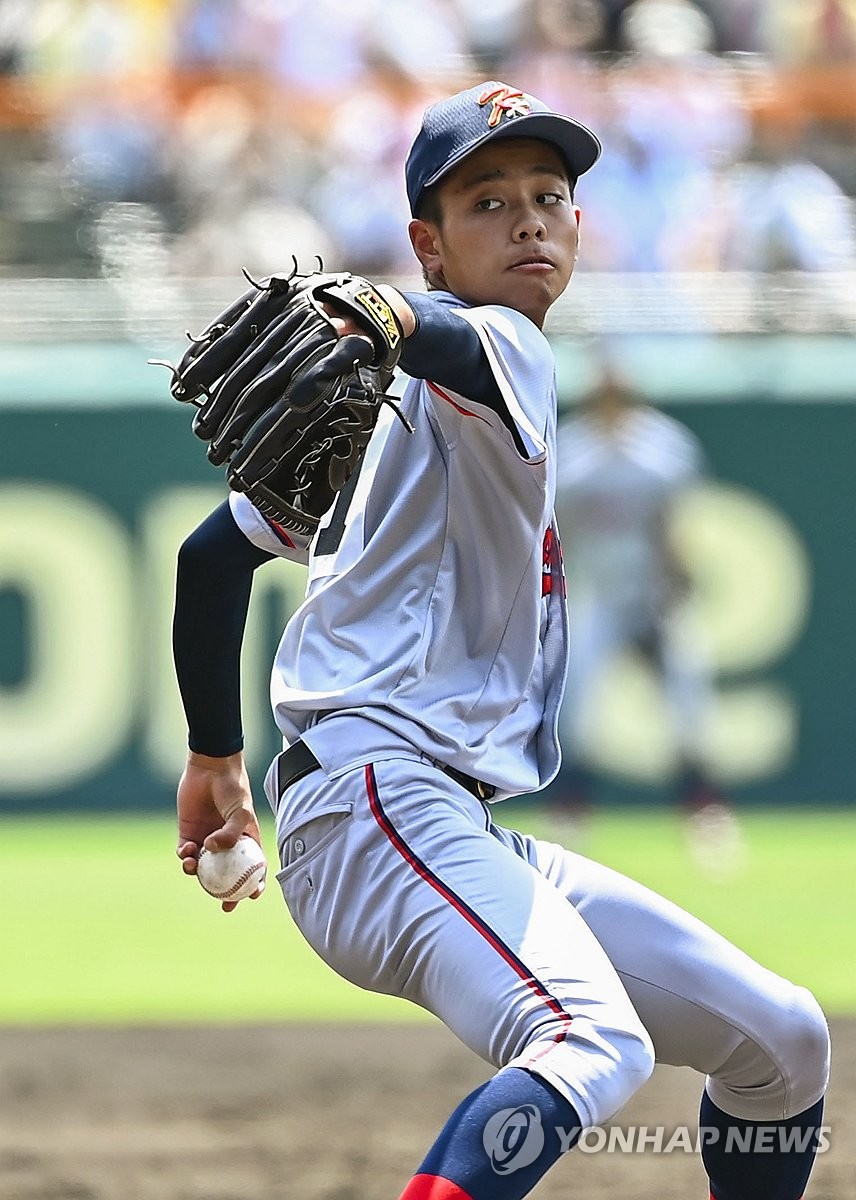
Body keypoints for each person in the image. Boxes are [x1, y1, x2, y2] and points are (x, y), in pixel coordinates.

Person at [171, 81, 829, 1200]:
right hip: (380, 806)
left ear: (579, 223)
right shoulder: (507, 348)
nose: (527, 218)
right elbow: (446, 347)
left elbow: (210, 559)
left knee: (781, 1040)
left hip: (423, 817)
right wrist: (386, 313)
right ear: (427, 246)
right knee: (591, 1042)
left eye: (548, 194)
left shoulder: (366, 419)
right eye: (487, 202)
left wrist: (214, 759)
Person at [552, 368, 742, 869]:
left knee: (689, 707)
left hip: (657, 596)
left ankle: (707, 816)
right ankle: (570, 815)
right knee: (577, 709)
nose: (612, 399)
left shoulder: (662, 446)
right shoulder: (572, 452)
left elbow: (678, 521)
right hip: (601, 594)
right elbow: (559, 528)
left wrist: (678, 575)